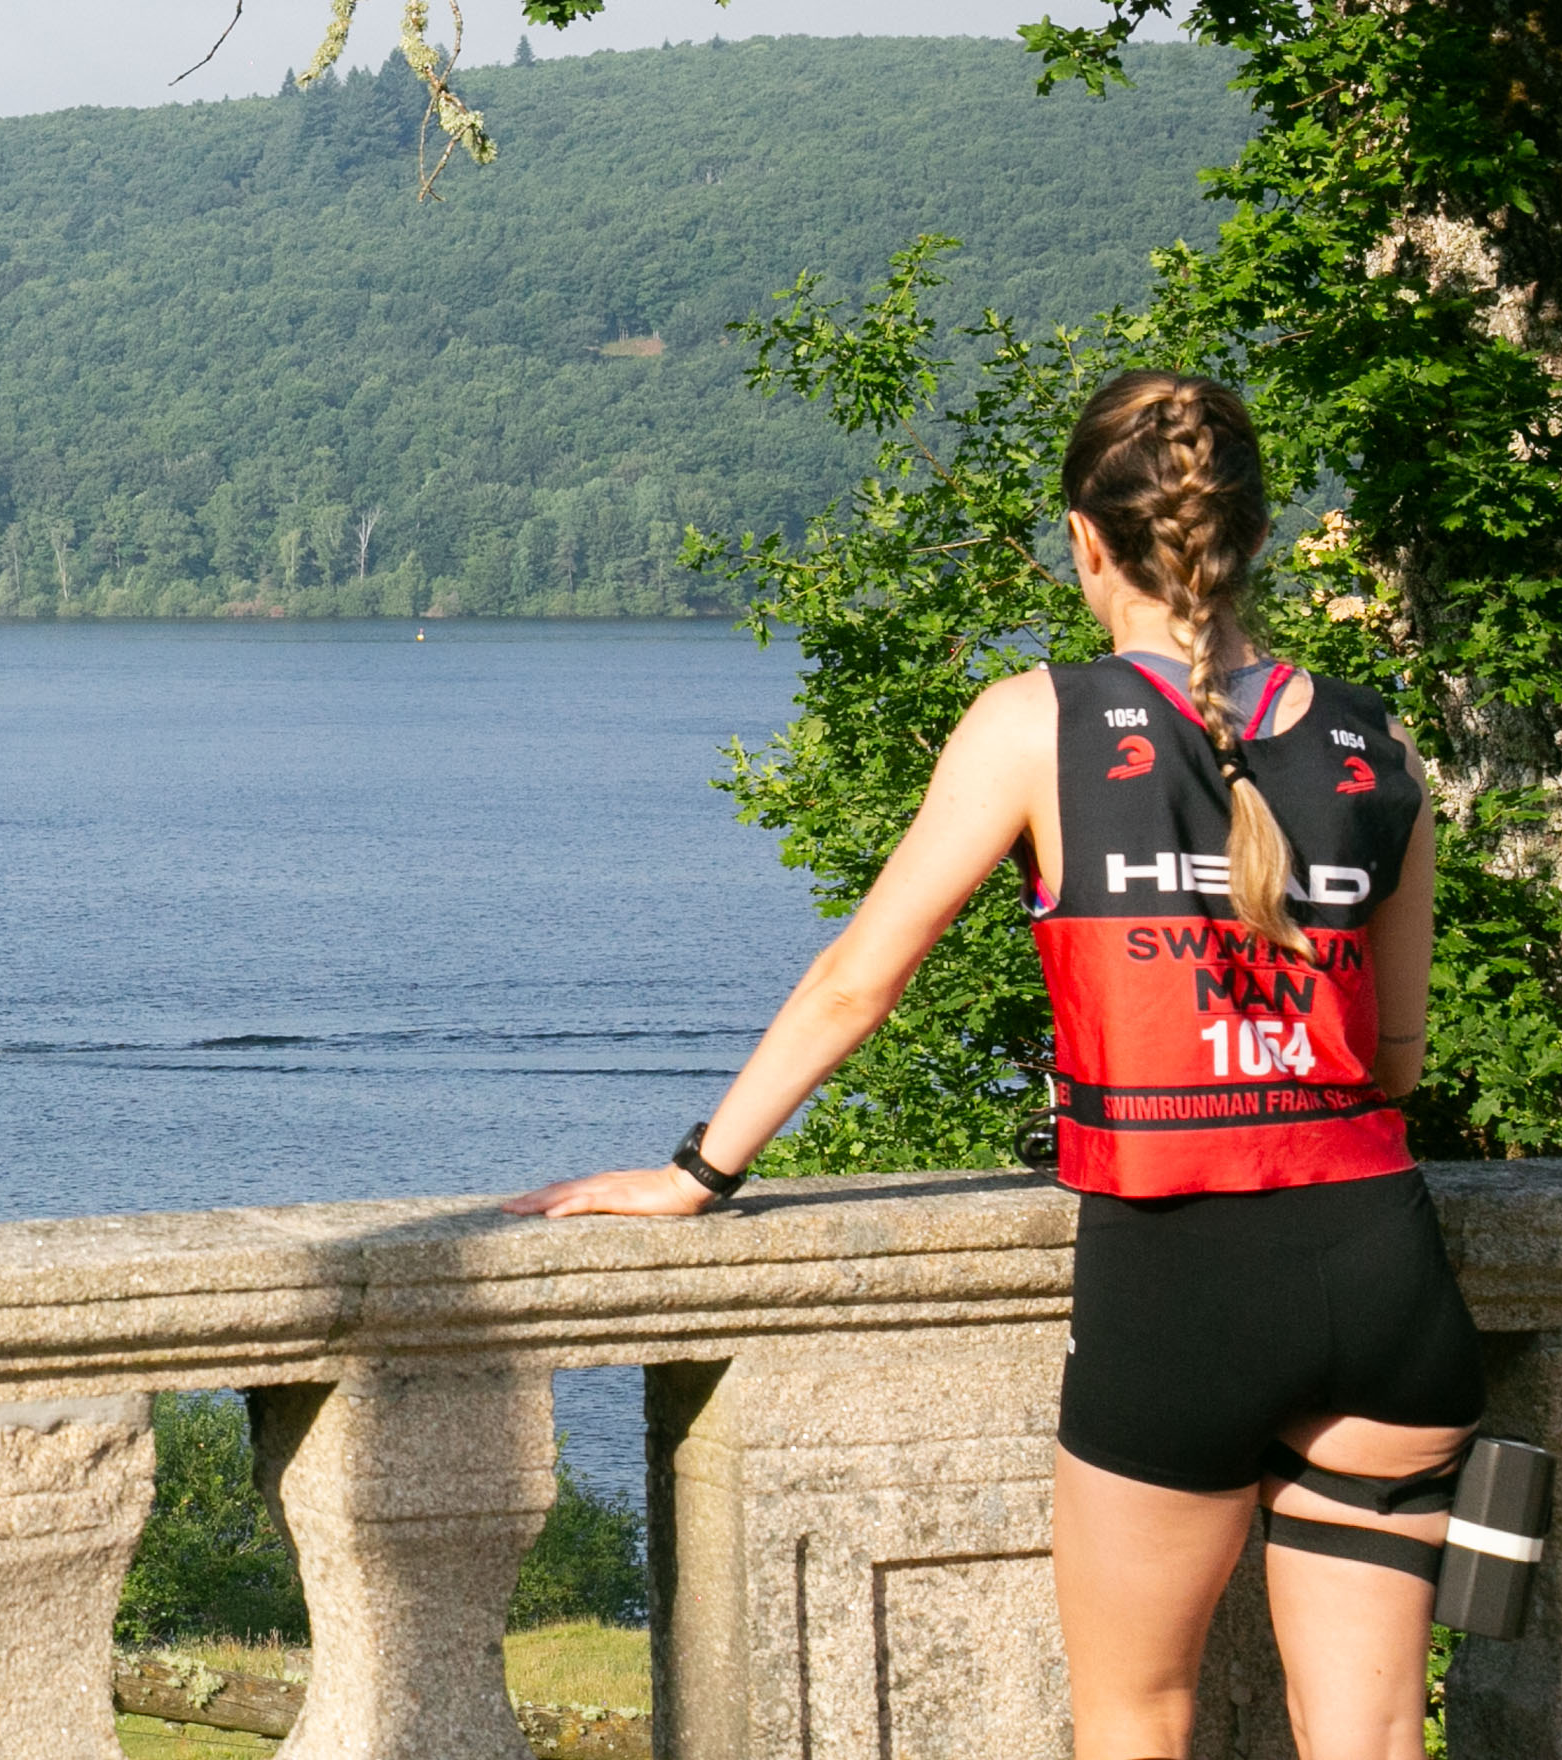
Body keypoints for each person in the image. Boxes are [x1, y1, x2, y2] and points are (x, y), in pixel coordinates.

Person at [505, 371, 1478, 1760]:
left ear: (1087, 540)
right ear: (1258, 536)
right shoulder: (1379, 744)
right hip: (1383, 1274)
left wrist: (696, 1172)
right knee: (1373, 1737)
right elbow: (1393, 1055)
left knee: (1136, 1719)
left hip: (1178, 1274)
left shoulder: (1043, 724)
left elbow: (862, 980)